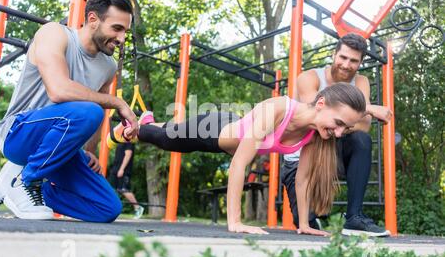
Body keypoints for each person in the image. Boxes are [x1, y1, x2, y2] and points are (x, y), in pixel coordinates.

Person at [110, 82, 373, 235]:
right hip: (214, 130)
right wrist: (235, 222)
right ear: (321, 104)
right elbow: (239, 163)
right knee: (168, 140)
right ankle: (138, 127)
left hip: (232, 129)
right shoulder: (278, 109)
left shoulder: (314, 134)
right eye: (338, 123)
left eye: (345, 129)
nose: (339, 133)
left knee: (171, 131)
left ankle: (151, 122)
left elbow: (302, 181)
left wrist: (304, 224)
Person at [0, 0, 138, 222]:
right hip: (17, 134)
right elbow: (59, 90)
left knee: (107, 207)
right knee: (88, 110)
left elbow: (99, 111)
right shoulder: (54, 34)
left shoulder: (108, 66)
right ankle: (25, 179)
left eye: (125, 32)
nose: (121, 38)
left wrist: (90, 151)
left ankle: (33, 188)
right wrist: (118, 102)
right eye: (117, 28)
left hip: (59, 147)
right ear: (93, 19)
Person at [281, 33, 392, 237]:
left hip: (334, 152)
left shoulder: (361, 82)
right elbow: (316, 116)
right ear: (334, 54)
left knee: (361, 140)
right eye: (343, 57)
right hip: (301, 158)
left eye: (353, 60)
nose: (346, 64)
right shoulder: (309, 78)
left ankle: (354, 219)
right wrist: (368, 108)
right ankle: (313, 217)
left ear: (360, 62)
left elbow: (363, 126)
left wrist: (357, 116)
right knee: (307, 225)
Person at [108, 142, 144, 219]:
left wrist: (122, 169)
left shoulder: (129, 141)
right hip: (115, 169)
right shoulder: (120, 140)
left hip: (123, 170)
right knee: (110, 188)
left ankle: (137, 208)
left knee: (124, 189)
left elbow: (128, 154)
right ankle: (110, 209)